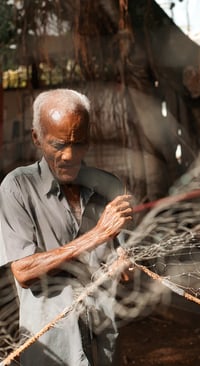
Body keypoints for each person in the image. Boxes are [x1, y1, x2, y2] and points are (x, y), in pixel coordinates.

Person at [0, 89, 133, 365]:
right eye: (59, 145)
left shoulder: (109, 186)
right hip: (54, 349)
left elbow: (122, 262)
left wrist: (123, 267)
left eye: (79, 143)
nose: (70, 155)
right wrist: (96, 235)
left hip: (103, 342)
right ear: (37, 138)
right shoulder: (17, 188)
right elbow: (24, 271)